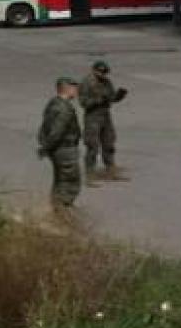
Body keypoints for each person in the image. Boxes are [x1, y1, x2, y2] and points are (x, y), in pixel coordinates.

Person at [36, 76, 83, 215]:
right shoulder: (64, 109)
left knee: (60, 179)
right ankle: (63, 210)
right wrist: (46, 147)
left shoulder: (53, 103)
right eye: (75, 88)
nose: (77, 91)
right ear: (67, 89)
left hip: (57, 149)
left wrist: (45, 145)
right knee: (70, 181)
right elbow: (57, 131)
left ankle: (57, 207)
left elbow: (44, 127)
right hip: (65, 149)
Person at [78, 60, 128, 181]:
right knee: (92, 145)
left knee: (109, 142)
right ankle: (90, 172)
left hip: (105, 115)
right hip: (92, 116)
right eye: (101, 72)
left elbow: (111, 97)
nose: (103, 75)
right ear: (94, 70)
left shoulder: (106, 82)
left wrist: (118, 97)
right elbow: (83, 102)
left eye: (105, 73)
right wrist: (98, 100)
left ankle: (110, 169)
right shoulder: (87, 83)